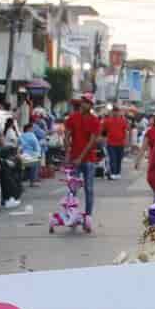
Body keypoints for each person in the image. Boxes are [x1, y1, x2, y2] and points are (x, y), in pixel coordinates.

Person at [63, 96, 104, 224]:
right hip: (75, 158)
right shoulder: (72, 118)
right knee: (72, 189)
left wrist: (80, 158)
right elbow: (66, 137)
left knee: (89, 189)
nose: (84, 104)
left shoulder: (95, 120)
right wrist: (67, 154)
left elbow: (92, 141)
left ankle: (88, 216)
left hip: (88, 159)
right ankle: (71, 215)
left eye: (88, 103)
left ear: (91, 106)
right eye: (84, 102)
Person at [102, 104, 131, 180]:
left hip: (120, 143)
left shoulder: (123, 121)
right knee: (113, 159)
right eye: (114, 111)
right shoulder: (107, 121)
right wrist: (103, 139)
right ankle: (113, 173)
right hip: (110, 143)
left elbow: (127, 131)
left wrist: (127, 142)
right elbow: (103, 131)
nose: (115, 112)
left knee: (119, 159)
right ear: (112, 112)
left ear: (119, 112)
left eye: (117, 111)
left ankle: (117, 173)